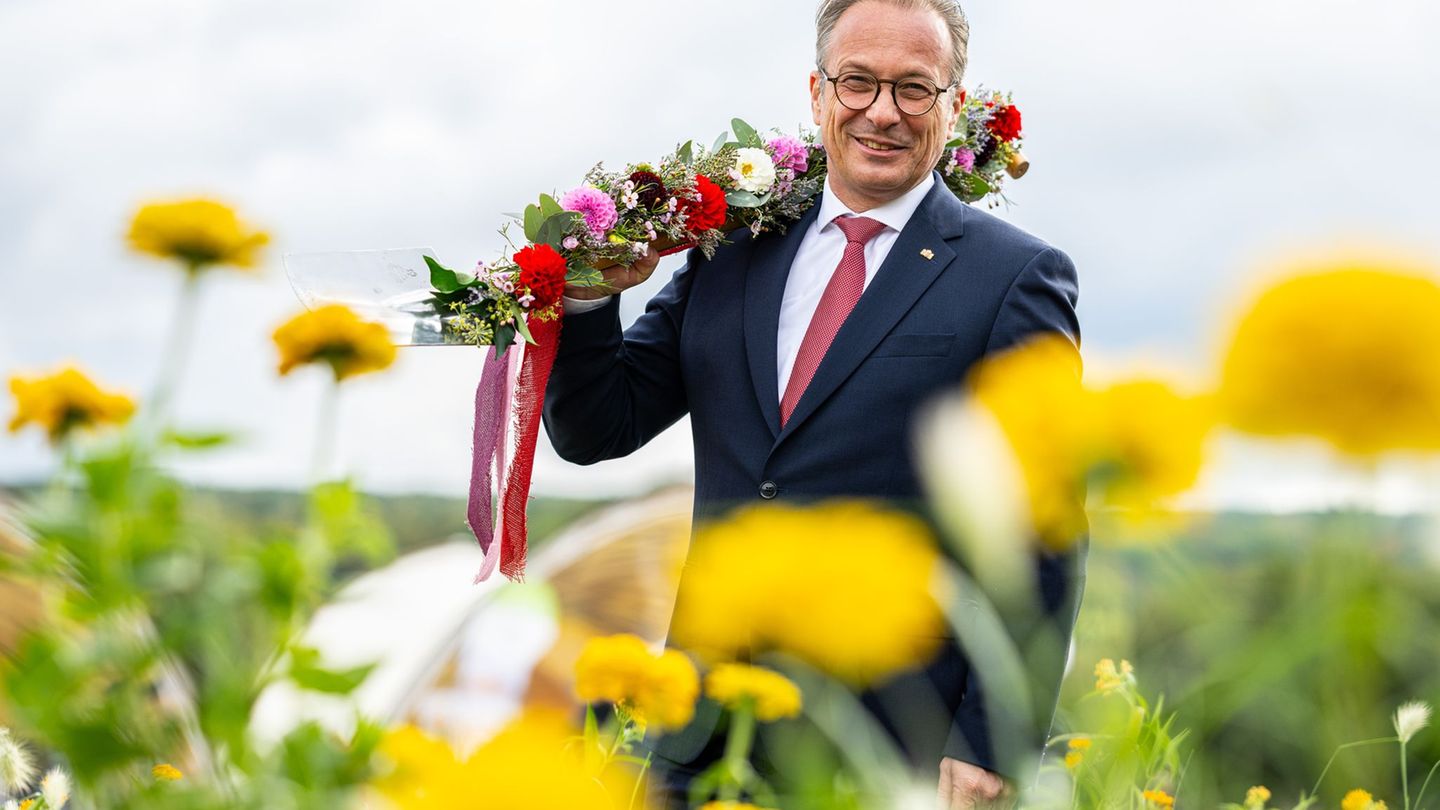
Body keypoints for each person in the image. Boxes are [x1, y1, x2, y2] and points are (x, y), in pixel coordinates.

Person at [542, 0, 1083, 806]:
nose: (882, 112)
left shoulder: (1014, 277)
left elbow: (1041, 528)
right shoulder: (729, 254)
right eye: (857, 82)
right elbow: (597, 431)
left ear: (954, 105)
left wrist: (990, 743)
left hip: (889, 747)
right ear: (818, 92)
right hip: (700, 736)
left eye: (914, 89)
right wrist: (586, 303)